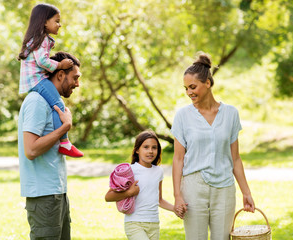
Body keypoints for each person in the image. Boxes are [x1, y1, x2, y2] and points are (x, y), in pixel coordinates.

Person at [171, 52, 255, 240]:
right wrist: (177, 195)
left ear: (207, 83)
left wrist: (246, 192)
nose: (189, 92)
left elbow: (235, 158)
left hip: (224, 187)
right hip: (193, 186)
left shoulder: (231, 114)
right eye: (185, 88)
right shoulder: (183, 116)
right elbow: (178, 159)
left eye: (192, 87)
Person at [18, 51, 82, 240]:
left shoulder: (52, 102)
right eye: (75, 78)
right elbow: (30, 150)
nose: (77, 84)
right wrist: (65, 128)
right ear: (60, 74)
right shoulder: (37, 101)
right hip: (43, 194)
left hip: (56, 193)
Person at [18, 3, 83, 158]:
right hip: (37, 80)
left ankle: (64, 143)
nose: (59, 25)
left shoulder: (40, 40)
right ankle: (65, 143)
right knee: (59, 105)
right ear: (44, 21)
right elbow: (42, 61)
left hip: (36, 79)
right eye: (57, 21)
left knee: (56, 105)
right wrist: (60, 64)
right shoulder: (41, 40)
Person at [105, 130, 176, 240]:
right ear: (137, 150)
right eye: (146, 147)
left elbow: (159, 200)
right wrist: (129, 192)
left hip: (154, 223)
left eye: (154, 147)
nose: (150, 151)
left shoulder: (159, 171)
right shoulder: (130, 170)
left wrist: (175, 209)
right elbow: (108, 196)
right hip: (134, 223)